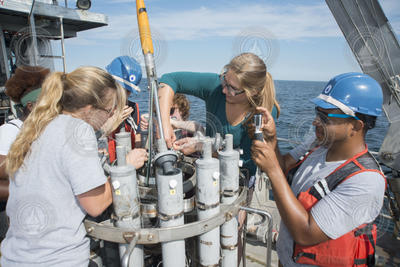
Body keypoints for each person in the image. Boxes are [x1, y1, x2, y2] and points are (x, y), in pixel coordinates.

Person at [1, 66, 147, 266]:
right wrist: (126, 167)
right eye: (109, 111)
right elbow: (95, 204)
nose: (109, 117)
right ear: (89, 109)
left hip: (18, 256)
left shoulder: (38, 124)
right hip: (56, 259)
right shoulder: (78, 130)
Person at [251, 72, 386, 267]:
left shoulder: (366, 181)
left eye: (326, 116)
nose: (315, 121)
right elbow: (283, 166)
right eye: (317, 112)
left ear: (355, 126)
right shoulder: (317, 142)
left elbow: (305, 233)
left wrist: (272, 170)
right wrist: (272, 139)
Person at [158, 52, 280, 180]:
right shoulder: (215, 86)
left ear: (253, 92)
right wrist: (165, 124)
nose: (224, 90)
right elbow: (169, 80)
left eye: (232, 88)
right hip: (206, 170)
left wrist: (200, 146)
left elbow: (246, 163)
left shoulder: (263, 114)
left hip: (239, 179)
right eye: (224, 80)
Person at [0, 66, 50, 204]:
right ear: (30, 106)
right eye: (48, 105)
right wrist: (30, 192)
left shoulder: (45, 129)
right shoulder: (9, 131)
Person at [105, 56, 143, 162]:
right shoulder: (98, 106)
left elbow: (138, 137)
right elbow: (94, 136)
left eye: (129, 91)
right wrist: (114, 121)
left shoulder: (133, 108)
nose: (126, 95)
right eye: (124, 90)